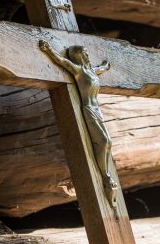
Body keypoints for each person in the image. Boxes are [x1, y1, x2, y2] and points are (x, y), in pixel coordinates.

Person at [39, 39, 117, 201]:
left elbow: (105, 66)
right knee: (102, 142)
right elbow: (61, 61)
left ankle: (107, 175)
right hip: (88, 109)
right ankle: (105, 176)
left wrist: (108, 62)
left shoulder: (92, 71)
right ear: (79, 56)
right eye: (85, 53)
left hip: (97, 110)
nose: (88, 55)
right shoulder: (79, 70)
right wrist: (48, 50)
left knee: (109, 142)